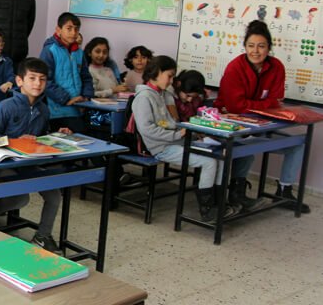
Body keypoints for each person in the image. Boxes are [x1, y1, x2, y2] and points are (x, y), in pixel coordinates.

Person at [214, 20, 309, 213]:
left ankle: (284, 190)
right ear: (245, 46)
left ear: (269, 48)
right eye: (251, 46)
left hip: (261, 124)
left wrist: (260, 106)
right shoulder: (235, 68)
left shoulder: (276, 67)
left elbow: (276, 101)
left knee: (297, 145)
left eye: (261, 46)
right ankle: (236, 193)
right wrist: (267, 105)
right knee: (247, 144)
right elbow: (235, 106)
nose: (255, 51)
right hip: (230, 124)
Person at [132, 56, 239, 222]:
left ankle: (219, 203)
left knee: (221, 156)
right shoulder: (144, 97)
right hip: (161, 148)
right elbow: (147, 130)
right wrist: (178, 134)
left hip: (178, 141)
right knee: (209, 162)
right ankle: (207, 210)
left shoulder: (163, 94)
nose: (172, 81)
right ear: (157, 73)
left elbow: (173, 122)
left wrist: (191, 131)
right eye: (169, 75)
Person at [0, 57, 71, 252]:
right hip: (6, 164)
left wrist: (58, 136)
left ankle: (42, 236)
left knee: (54, 196)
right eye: (32, 78)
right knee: (20, 198)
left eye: (42, 79)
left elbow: (41, 138)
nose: (37, 84)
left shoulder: (43, 109)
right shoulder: (5, 107)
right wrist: (15, 141)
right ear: (19, 81)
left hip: (30, 164)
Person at [39, 12, 93, 132]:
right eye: (69, 29)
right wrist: (66, 99)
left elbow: (86, 77)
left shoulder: (79, 52)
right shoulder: (49, 50)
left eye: (76, 29)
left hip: (79, 107)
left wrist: (86, 97)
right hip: (58, 109)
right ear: (58, 30)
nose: (73, 33)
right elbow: (45, 80)